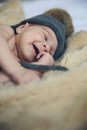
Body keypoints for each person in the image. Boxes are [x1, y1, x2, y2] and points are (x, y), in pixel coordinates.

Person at [0, 8, 74, 85]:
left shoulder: (21, 67)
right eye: (45, 37)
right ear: (22, 28)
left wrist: (37, 68)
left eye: (50, 52)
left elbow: (16, 79)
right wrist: (17, 71)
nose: (47, 48)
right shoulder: (8, 32)